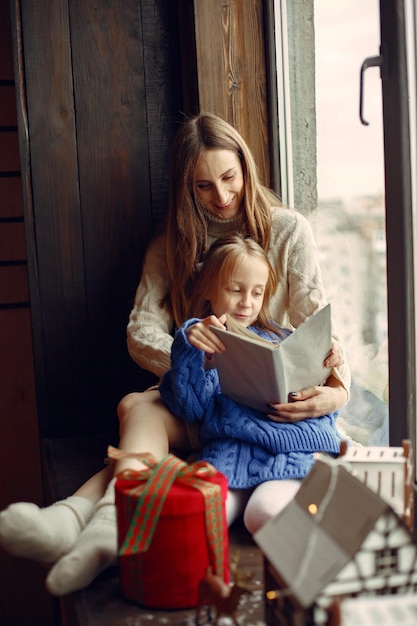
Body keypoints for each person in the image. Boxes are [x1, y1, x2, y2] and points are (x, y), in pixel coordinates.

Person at [0, 112, 351, 595]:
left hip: (273, 404)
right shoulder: (172, 242)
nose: (222, 196)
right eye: (203, 186)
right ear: (186, 187)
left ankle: (80, 520)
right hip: (203, 395)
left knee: (135, 410)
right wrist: (202, 363)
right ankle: (96, 526)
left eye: (229, 178)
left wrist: (337, 391)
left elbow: (321, 328)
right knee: (135, 404)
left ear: (246, 168)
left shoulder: (288, 230)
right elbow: (141, 331)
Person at [159, 233, 344, 533]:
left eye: (257, 293)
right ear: (208, 289)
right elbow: (189, 407)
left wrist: (327, 365)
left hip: (292, 448)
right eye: (235, 290)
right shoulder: (203, 342)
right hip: (232, 453)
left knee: (263, 513)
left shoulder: (284, 339)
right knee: (196, 513)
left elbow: (323, 406)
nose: (247, 302)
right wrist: (190, 347)